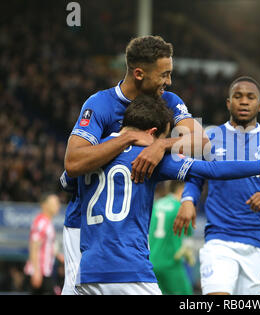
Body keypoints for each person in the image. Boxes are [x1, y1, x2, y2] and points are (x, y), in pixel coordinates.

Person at [75, 94, 260, 295]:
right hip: (129, 270)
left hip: (87, 272)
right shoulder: (149, 157)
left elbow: (68, 179)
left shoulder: (90, 155)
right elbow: (213, 169)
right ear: (154, 133)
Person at [60, 35, 210, 295]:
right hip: (85, 228)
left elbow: (203, 142)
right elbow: (73, 162)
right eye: (164, 74)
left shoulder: (170, 101)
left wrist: (160, 145)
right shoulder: (100, 104)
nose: (169, 82)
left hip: (130, 230)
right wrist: (127, 137)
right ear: (139, 73)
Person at [176, 76, 260, 295]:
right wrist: (187, 201)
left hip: (257, 242)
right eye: (238, 96)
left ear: (259, 105)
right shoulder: (209, 138)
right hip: (218, 240)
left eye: (250, 97)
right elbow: (194, 179)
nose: (244, 102)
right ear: (228, 103)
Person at [148, 181, 195, 295]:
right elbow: (188, 233)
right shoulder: (181, 208)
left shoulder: (156, 204)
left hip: (152, 262)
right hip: (171, 262)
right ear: (182, 188)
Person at [24, 193, 61, 295]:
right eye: (55, 203)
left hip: (44, 272)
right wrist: (36, 272)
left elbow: (46, 247)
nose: (58, 206)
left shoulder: (47, 222)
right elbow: (34, 246)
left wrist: (58, 256)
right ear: (45, 205)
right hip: (39, 273)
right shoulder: (41, 223)